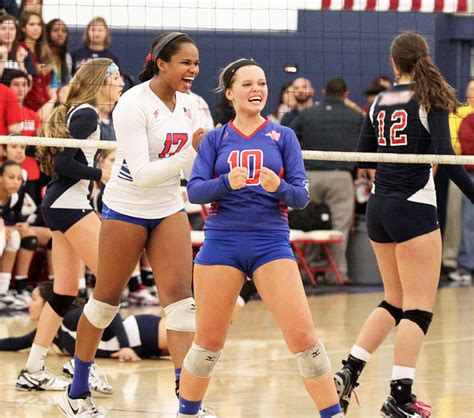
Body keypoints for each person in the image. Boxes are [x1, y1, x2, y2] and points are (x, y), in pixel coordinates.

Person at [177, 58, 343, 418]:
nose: (257, 90)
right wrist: (225, 183)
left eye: (262, 84)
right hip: (221, 244)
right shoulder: (216, 138)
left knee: (305, 341)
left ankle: (333, 414)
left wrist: (278, 187)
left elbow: (301, 196)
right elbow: (195, 191)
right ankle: (187, 412)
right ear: (231, 92)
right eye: (248, 84)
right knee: (207, 344)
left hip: (270, 243)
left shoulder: (284, 136)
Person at [60, 32, 203, 417]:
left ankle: (187, 402)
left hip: (169, 206)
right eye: (185, 62)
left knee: (182, 304)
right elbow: (141, 174)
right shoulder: (132, 103)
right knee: (106, 302)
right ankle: (76, 391)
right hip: (126, 207)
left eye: (196, 63)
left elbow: (192, 169)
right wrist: (191, 153)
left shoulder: (190, 106)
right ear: (161, 63)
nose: (193, 69)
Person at [333, 32, 474, 417]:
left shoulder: (379, 100)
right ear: (422, 59)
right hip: (413, 207)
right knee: (418, 308)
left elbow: (363, 155)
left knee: (393, 300)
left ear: (395, 63)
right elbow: (445, 158)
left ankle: (349, 370)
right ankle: (399, 396)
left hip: (380, 209)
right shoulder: (431, 96)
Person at [14, 58, 122, 392]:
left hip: (64, 205)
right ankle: (81, 362)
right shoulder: (87, 113)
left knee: (64, 291)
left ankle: (33, 368)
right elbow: (62, 163)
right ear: (101, 81)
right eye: (116, 77)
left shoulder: (85, 112)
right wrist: (101, 174)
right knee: (111, 281)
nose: (121, 83)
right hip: (68, 204)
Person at [291, 76, 364, 284]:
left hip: (310, 174)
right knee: (339, 226)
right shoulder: (354, 116)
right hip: (340, 174)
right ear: (346, 95)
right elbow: (368, 136)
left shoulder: (307, 114)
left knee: (309, 223)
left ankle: (308, 270)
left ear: (323, 92)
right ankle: (337, 273)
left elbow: (291, 138)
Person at [0, 281, 170, 362]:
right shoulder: (51, 332)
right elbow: (18, 342)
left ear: (49, 304)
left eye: (34, 299)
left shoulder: (70, 318)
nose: (29, 304)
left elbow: (110, 314)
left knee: (194, 353)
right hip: (143, 347)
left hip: (142, 331)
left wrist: (125, 346)